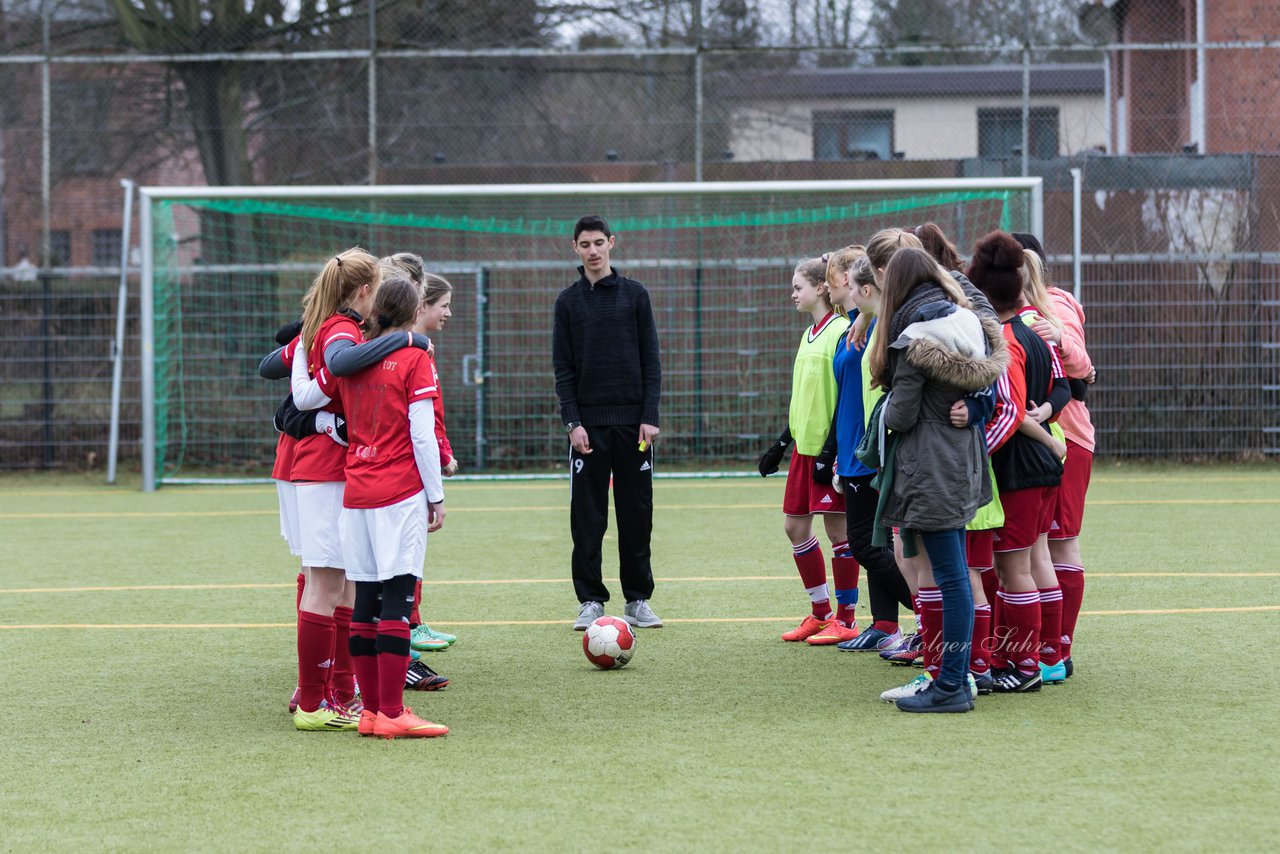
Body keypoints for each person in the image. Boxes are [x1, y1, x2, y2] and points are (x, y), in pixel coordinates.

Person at [868, 247, 1008, 712]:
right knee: (955, 577)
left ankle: (950, 684)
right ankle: (951, 679)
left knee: (951, 579)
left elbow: (902, 415)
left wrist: (886, 406)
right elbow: (989, 392)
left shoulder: (914, 339)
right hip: (962, 463)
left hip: (929, 469)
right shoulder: (969, 325)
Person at [335, 272, 449, 739]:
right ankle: (394, 712)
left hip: (356, 493)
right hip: (398, 493)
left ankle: (370, 713)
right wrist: (436, 495)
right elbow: (422, 433)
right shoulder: (413, 356)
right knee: (398, 603)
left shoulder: (353, 359)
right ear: (412, 311)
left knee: (365, 604)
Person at [967, 231, 1067, 694]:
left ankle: (1026, 666)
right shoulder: (1034, 331)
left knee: (1014, 569)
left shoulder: (1007, 339)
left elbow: (1010, 410)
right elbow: (1058, 392)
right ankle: (1031, 654)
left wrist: (971, 450)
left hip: (1020, 469)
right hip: (1038, 468)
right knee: (1023, 565)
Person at [553, 215, 663, 631]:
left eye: (600, 242)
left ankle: (637, 599)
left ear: (612, 243)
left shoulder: (636, 295)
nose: (593, 250)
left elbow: (651, 360)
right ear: (575, 248)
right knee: (588, 518)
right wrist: (572, 422)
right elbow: (563, 368)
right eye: (585, 244)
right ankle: (591, 601)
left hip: (634, 428)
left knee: (636, 514)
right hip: (587, 430)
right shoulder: (567, 302)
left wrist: (649, 417)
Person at [758, 255, 858, 645]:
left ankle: (847, 619)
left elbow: (843, 398)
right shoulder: (809, 333)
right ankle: (820, 613)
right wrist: (781, 444)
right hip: (803, 448)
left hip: (827, 451)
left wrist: (829, 452)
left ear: (821, 288)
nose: (792, 294)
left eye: (798, 287)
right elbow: (806, 398)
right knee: (794, 527)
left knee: (839, 532)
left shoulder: (840, 331)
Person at [1014, 233, 1096, 680]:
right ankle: (1040, 648)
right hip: (1036, 438)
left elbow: (1082, 366)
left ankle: (1057, 650)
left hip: (1066, 439)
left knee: (1059, 541)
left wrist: (1061, 335)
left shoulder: (1056, 305)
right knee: (1032, 546)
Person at [823, 248, 914, 651]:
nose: (831, 284)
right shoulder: (854, 327)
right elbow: (846, 396)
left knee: (863, 543)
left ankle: (933, 618)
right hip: (854, 450)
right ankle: (884, 624)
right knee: (872, 542)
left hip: (871, 451)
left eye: (835, 275)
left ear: (858, 284)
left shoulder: (884, 327)